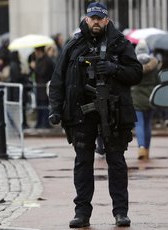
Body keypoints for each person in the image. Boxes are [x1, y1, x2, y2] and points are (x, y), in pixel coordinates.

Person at [48, 2, 142, 228]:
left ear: (107, 20)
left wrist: (114, 68)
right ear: (87, 19)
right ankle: (82, 213)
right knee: (83, 163)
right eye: (93, 18)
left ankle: (120, 212)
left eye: (100, 18)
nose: (96, 22)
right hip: (81, 113)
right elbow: (58, 79)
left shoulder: (119, 43)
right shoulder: (73, 44)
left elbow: (136, 73)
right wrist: (55, 109)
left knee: (116, 162)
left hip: (114, 113)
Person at [131, 40, 161, 160]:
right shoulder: (154, 64)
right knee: (148, 124)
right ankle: (147, 150)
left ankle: (141, 147)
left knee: (139, 124)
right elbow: (158, 82)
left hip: (137, 97)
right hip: (150, 97)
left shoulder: (133, 64)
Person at [32, 46, 55, 128]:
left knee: (44, 105)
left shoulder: (46, 60)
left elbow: (43, 72)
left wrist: (35, 67)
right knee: (39, 104)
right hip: (39, 87)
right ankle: (39, 122)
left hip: (44, 86)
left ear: (39, 51)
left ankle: (45, 123)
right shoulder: (39, 60)